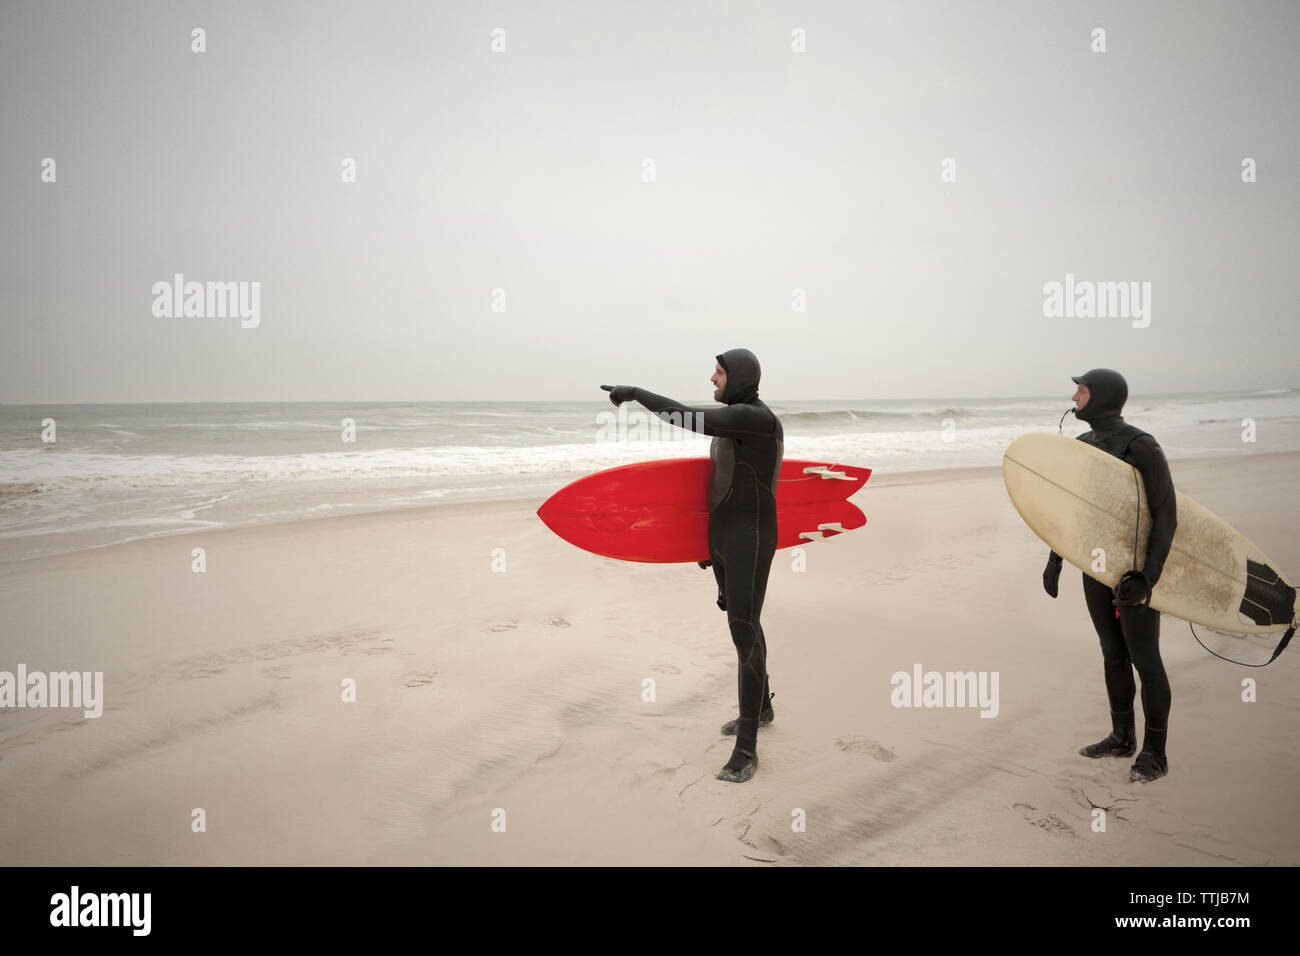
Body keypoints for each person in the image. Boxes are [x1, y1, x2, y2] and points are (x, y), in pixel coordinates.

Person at [602, 348, 782, 783]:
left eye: (718, 373)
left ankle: (746, 749)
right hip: (724, 540)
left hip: (749, 540)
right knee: (744, 626)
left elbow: (683, 417)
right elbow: (720, 484)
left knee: (744, 632)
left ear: (738, 377)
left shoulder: (755, 419)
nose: (712, 379)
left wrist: (636, 393)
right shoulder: (735, 421)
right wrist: (707, 547)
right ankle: (761, 708)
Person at [1043, 369, 1177, 783]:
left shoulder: (1142, 446)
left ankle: (1155, 753)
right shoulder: (1083, 446)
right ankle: (1122, 737)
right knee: (1112, 653)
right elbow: (1074, 511)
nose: (1074, 396)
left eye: (1081, 390)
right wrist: (1056, 558)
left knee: (1145, 660)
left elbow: (1167, 515)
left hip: (1134, 571)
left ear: (1101, 397)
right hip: (1095, 566)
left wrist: (1147, 577)